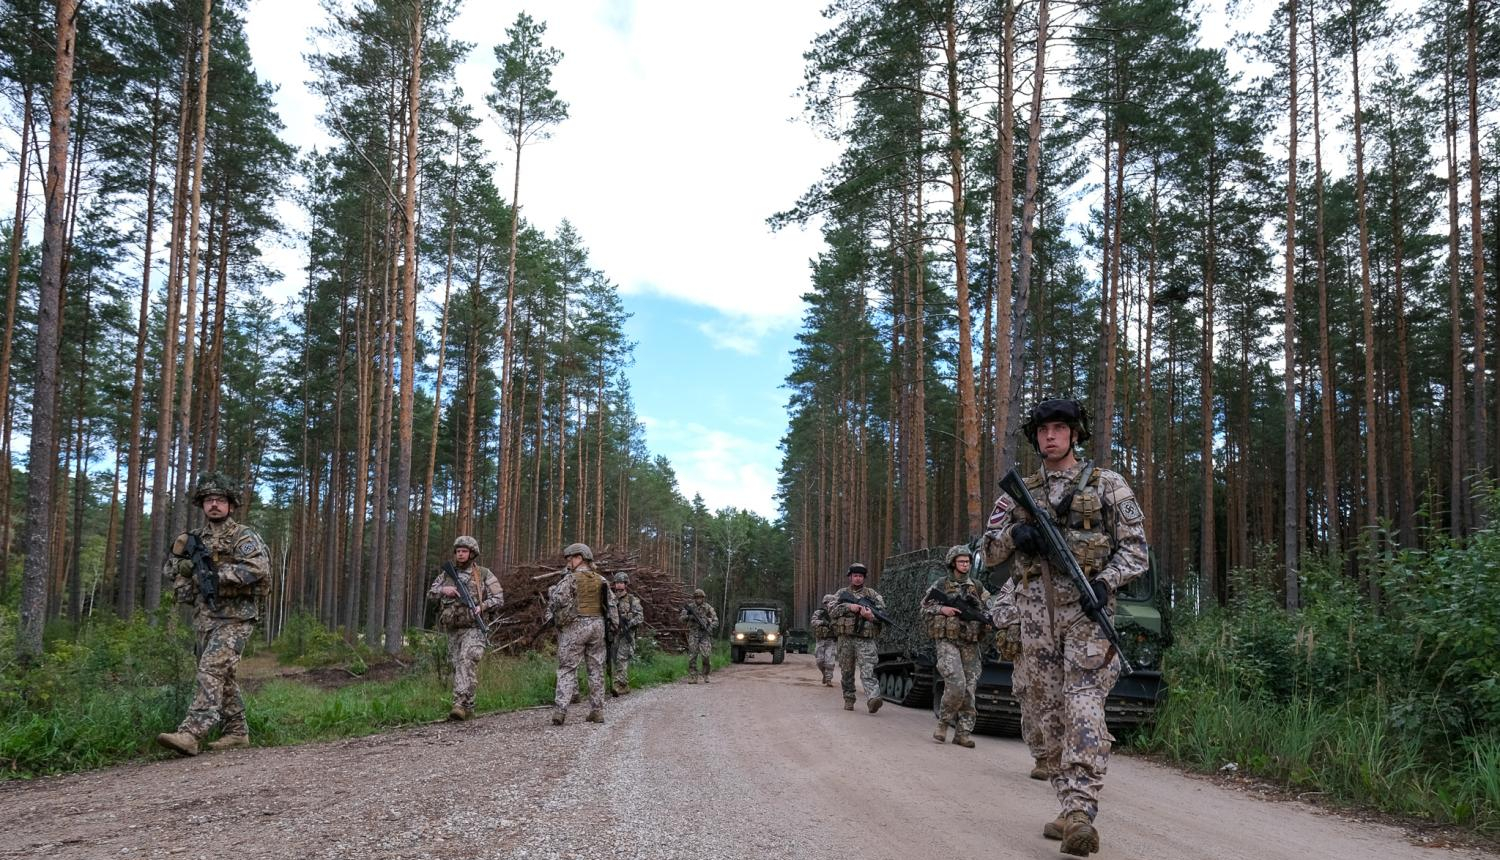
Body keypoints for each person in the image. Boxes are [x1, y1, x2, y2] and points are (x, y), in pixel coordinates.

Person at [982, 398, 1148, 857]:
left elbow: (1136, 551)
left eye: (1059, 428)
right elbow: (986, 553)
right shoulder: (1018, 494)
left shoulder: (1107, 485)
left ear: (1075, 434)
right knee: (1042, 721)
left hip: (1085, 618)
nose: (1050, 436)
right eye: (1043, 430)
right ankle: (1066, 801)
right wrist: (1014, 536)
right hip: (1033, 623)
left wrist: (1105, 582)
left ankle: (1080, 812)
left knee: (1083, 708)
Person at [155, 472, 270, 757]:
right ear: (202, 505)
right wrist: (182, 570)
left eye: (219, 500)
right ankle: (237, 732)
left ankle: (192, 733)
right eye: (209, 500)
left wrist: (217, 576)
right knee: (222, 675)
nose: (214, 505)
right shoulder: (193, 539)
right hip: (206, 617)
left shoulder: (243, 536)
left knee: (211, 668)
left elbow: (259, 569)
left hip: (237, 617)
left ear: (230, 505)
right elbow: (170, 568)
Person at [427, 535, 504, 721]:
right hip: (453, 629)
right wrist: (443, 590)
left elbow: (499, 598)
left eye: (464, 551)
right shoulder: (446, 575)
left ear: (472, 553)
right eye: (458, 551)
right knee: (458, 666)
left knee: (466, 661)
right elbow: (431, 594)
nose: (460, 554)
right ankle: (469, 706)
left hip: (474, 628)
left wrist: (482, 606)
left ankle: (458, 704)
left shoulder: (483, 574)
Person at [922, 545, 991, 748]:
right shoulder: (942, 584)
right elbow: (924, 606)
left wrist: (988, 615)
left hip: (970, 643)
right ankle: (944, 723)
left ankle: (963, 732)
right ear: (953, 563)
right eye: (961, 561)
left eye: (967, 562)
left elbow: (990, 605)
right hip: (948, 641)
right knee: (956, 683)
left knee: (969, 688)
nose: (965, 565)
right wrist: (942, 609)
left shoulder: (976, 587)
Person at [546, 543, 617, 725]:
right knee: (596, 669)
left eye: (570, 558)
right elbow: (611, 605)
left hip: (575, 627)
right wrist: (613, 627)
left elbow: (557, 600)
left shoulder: (570, 579)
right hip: (597, 626)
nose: (568, 562)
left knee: (567, 668)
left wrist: (552, 593)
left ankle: (560, 711)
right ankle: (597, 711)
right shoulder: (601, 580)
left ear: (580, 558)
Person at [994, 576, 1051, 779]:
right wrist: (1030, 614)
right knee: (1031, 707)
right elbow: (999, 614)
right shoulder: (1019, 578)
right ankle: (1042, 759)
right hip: (1028, 656)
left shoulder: (1069, 574)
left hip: (1062, 654)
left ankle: (1069, 761)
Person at [829, 562, 885, 713]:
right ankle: (849, 698)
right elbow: (832, 611)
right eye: (855, 576)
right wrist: (849, 607)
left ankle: (873, 698)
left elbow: (882, 615)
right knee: (847, 671)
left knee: (868, 669)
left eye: (861, 576)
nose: (858, 579)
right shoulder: (841, 594)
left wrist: (870, 617)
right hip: (846, 639)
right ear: (850, 577)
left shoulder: (873, 595)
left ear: (864, 578)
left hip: (865, 639)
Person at [610, 572, 645, 695]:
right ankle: (618, 683)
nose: (618, 585)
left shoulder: (632, 600)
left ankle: (621, 685)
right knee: (614, 659)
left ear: (625, 584)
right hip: (613, 635)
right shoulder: (611, 599)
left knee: (621, 658)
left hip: (626, 635)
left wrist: (629, 623)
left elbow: (640, 617)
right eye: (617, 583)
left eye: (621, 583)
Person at [679, 588, 718, 683]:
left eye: (700, 597)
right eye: (696, 597)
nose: (698, 599)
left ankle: (705, 674)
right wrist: (690, 617)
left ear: (703, 598)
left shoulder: (708, 608)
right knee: (692, 656)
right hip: (693, 634)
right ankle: (693, 676)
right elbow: (681, 619)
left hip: (704, 635)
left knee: (706, 656)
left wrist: (709, 626)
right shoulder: (690, 607)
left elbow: (716, 621)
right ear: (694, 598)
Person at [810, 593, 837, 686]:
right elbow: (813, 622)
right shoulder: (819, 612)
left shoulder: (837, 613)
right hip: (820, 639)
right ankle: (824, 674)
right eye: (826, 602)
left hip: (831, 640)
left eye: (830, 602)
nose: (828, 604)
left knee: (829, 661)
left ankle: (829, 679)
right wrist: (823, 622)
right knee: (819, 660)